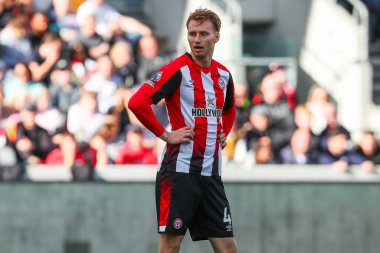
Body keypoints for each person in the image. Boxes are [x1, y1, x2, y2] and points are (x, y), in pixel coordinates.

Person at [128, 8, 238, 253]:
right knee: (171, 245)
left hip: (211, 174)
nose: (196, 40)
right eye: (192, 34)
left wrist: (224, 132)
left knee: (228, 248)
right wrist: (166, 135)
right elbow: (137, 102)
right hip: (178, 173)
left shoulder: (224, 75)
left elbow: (229, 109)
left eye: (203, 34)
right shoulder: (177, 70)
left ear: (217, 37)